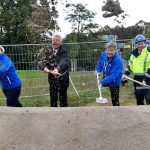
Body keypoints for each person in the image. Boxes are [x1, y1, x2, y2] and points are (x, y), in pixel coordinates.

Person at [38, 34, 69, 107]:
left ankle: (65, 113)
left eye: (57, 40)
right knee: (53, 97)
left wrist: (57, 69)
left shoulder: (64, 51)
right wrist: (44, 68)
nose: (55, 42)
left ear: (61, 42)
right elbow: (40, 61)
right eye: (53, 40)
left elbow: (64, 61)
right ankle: (53, 113)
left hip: (62, 77)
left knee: (63, 97)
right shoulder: (48, 50)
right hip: (52, 78)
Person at [123, 34, 150, 105]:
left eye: (141, 43)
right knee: (139, 102)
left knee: (149, 100)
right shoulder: (133, 55)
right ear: (136, 44)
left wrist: (145, 80)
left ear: (145, 43)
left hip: (148, 80)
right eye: (138, 44)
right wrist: (125, 73)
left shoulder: (149, 53)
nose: (140, 45)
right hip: (137, 80)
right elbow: (130, 66)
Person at [96, 41, 123, 106]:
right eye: (108, 50)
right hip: (106, 77)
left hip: (114, 81)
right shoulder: (104, 54)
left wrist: (102, 82)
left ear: (115, 51)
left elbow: (114, 75)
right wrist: (98, 70)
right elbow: (100, 63)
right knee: (99, 85)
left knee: (115, 99)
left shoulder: (118, 61)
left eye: (112, 50)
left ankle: (117, 111)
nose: (109, 52)